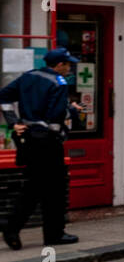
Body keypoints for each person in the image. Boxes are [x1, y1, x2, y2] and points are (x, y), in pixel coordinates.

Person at [1, 48, 86, 250]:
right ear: (59, 65)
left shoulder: (27, 77)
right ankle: (17, 227)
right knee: (49, 189)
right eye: (67, 64)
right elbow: (56, 115)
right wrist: (72, 110)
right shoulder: (58, 82)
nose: (69, 68)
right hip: (48, 142)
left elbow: (3, 97)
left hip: (29, 140)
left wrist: (13, 121)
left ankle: (51, 233)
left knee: (41, 186)